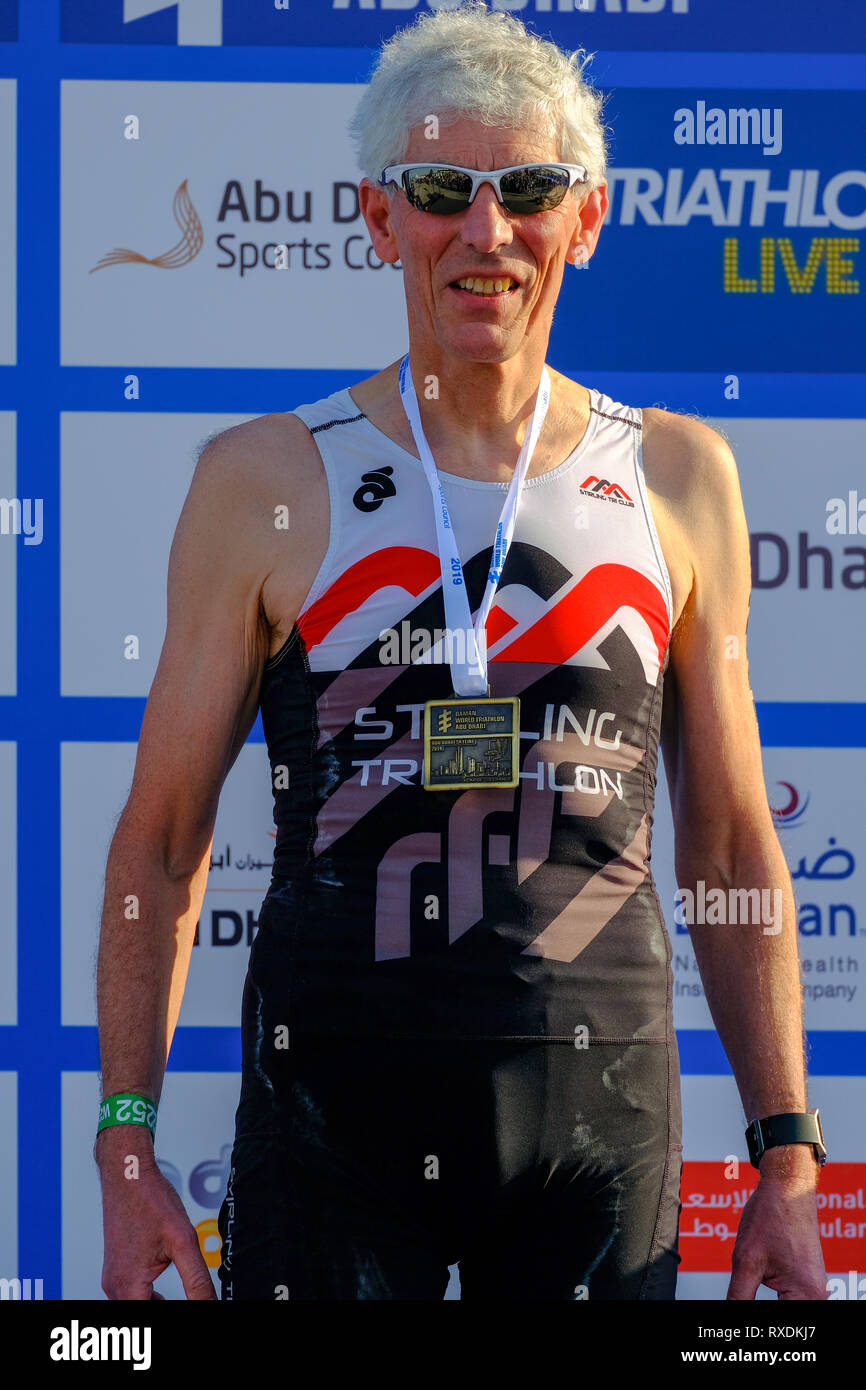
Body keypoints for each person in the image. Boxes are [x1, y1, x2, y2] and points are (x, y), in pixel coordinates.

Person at [95, 1, 827, 1301]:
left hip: (597, 1149)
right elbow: (160, 840)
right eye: (441, 188)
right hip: (328, 1144)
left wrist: (784, 1155)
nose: (484, 231)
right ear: (380, 218)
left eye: (527, 189)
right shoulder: (263, 478)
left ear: (585, 218)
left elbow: (726, 843)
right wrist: (123, 1141)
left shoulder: (676, 475)